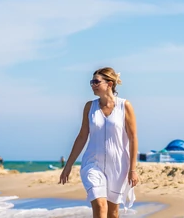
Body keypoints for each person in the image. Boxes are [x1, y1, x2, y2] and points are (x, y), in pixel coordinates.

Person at [59, 67, 139, 218]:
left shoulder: (124, 106)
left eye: (96, 82)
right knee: (100, 205)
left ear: (109, 84)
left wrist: (132, 169)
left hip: (118, 165)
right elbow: (82, 136)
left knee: (113, 212)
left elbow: (133, 137)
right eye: (92, 82)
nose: (92, 85)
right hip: (92, 164)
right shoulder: (90, 107)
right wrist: (68, 165)